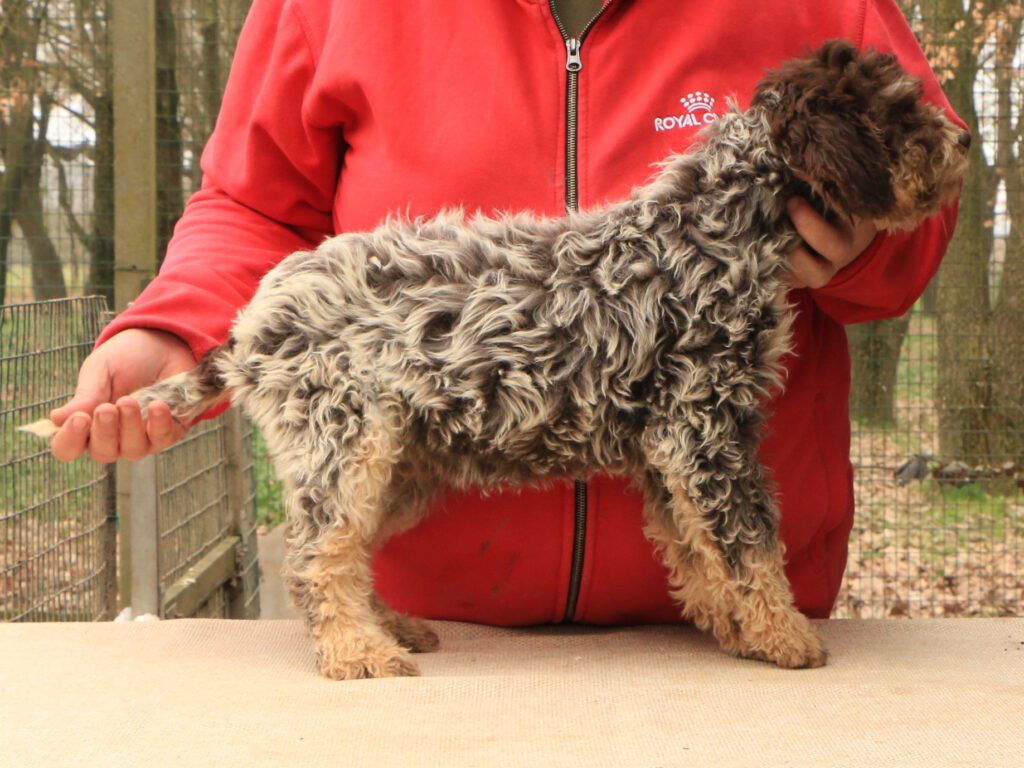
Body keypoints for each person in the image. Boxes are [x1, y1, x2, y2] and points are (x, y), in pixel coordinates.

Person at [49, 0, 963, 625]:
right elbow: (255, 204)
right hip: (441, 628)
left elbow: (929, 191)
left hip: (746, 632)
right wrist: (175, 325)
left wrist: (861, 237)